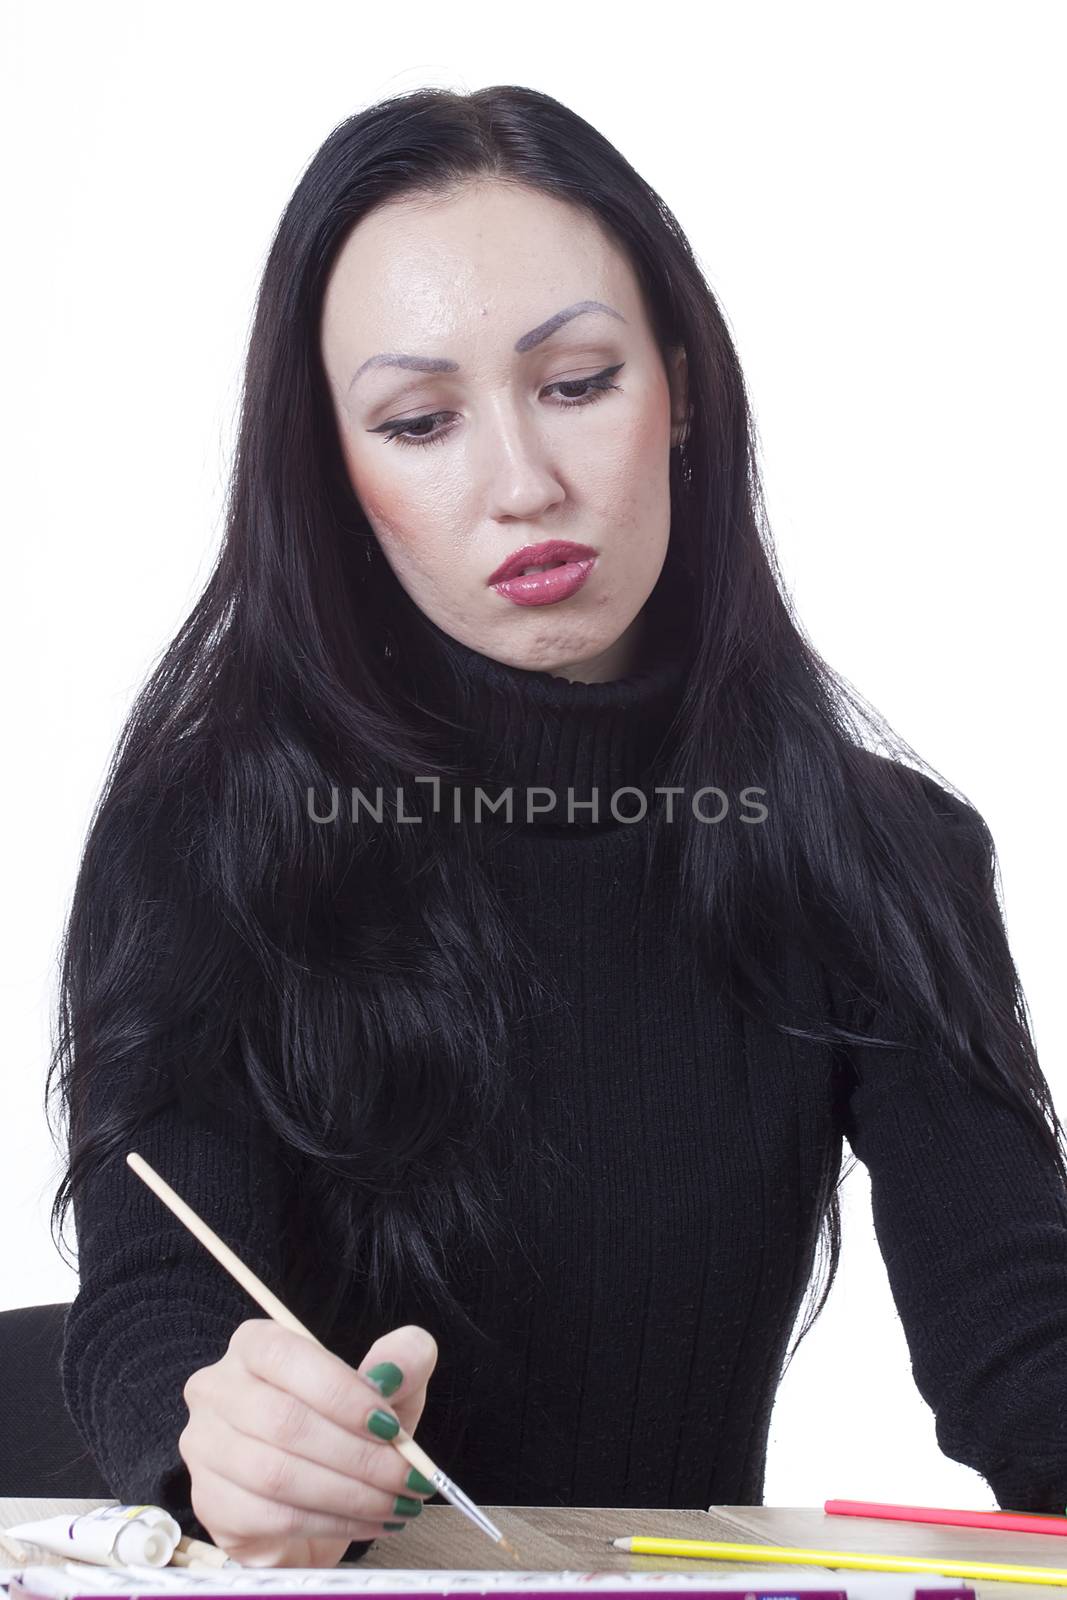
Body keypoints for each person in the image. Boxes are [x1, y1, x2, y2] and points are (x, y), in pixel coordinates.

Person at [48, 84, 1067, 1570]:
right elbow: (152, 1311)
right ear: (336, 473)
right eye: (418, 420)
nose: (523, 485)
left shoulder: (878, 855)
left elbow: (1024, 1349)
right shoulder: (206, 837)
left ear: (684, 385)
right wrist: (221, 1429)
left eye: (578, 383)